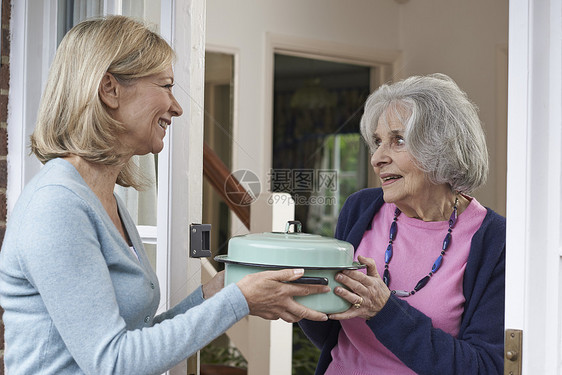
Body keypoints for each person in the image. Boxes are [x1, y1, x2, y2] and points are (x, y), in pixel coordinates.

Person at [0, 15, 330, 375]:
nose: (177, 106)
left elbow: (134, 339)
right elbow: (114, 362)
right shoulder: (56, 206)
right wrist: (240, 300)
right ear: (110, 89)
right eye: (166, 85)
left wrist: (217, 292)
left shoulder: (104, 200)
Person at [299, 73, 505, 374]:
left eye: (398, 141)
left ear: (441, 147)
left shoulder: (494, 241)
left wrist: (384, 310)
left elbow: (484, 367)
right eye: (377, 142)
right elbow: (333, 336)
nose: (377, 158)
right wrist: (306, 297)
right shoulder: (361, 208)